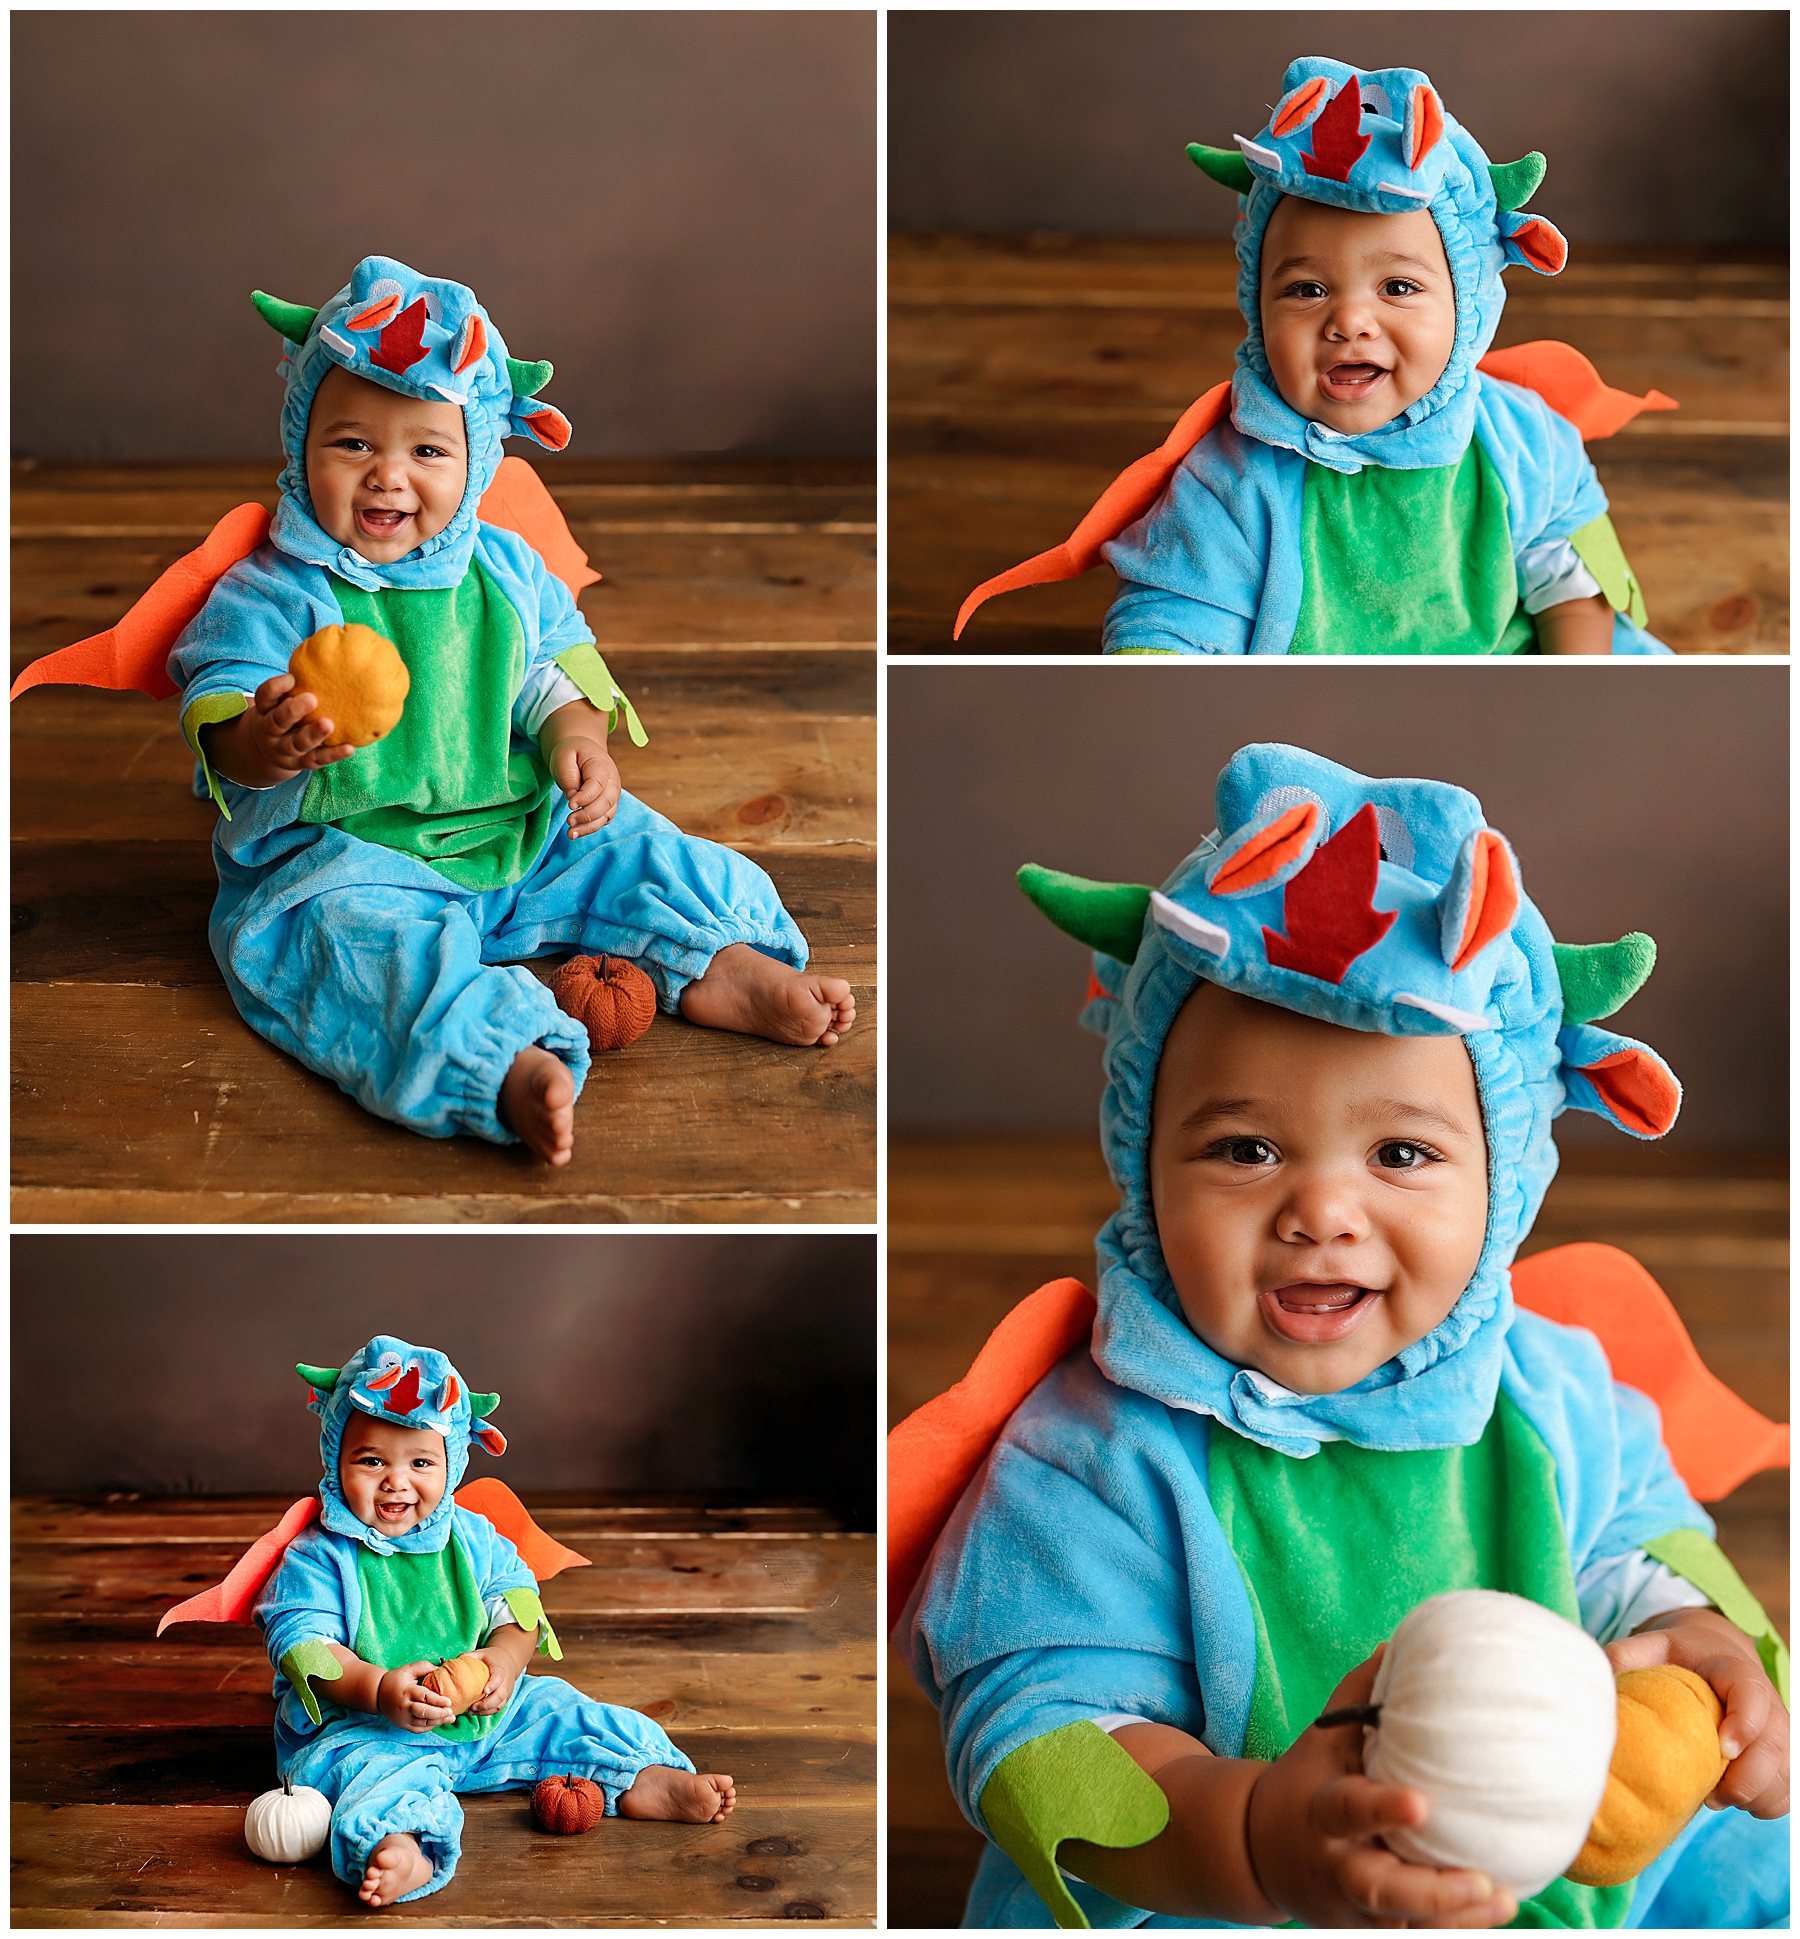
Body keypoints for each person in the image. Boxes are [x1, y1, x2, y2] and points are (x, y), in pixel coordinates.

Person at [895, 744, 1788, 1928]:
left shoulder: (1552, 1390)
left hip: (1547, 1860)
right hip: (1221, 1891)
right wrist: (1260, 1839)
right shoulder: (1088, 1464)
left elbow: (1635, 1543)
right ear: (1143, 1164)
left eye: (1402, 1154)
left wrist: (1696, 1649)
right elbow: (1044, 1736)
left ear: (1505, 1181)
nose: (1321, 1211)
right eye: (1245, 1149)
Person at [26, 254, 852, 1164]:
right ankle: (500, 1062)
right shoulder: (269, 591)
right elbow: (220, 705)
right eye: (353, 444)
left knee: (638, 848)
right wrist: (264, 738)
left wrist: (579, 744)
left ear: (479, 457)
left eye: (427, 450)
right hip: (349, 859)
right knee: (348, 957)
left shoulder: (501, 573)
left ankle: (725, 964)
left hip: (520, 832)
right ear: (301, 441)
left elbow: (554, 674)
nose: (388, 477)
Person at [953, 60, 1676, 656]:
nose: (1350, 321)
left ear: (1469, 305)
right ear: (1255, 305)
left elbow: (1572, 586)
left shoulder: (1522, 443)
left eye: (1398, 286)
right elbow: (1173, 623)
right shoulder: (1231, 485)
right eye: (1305, 288)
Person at [176, 1335, 734, 1907]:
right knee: (366, 1774)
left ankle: (647, 1781)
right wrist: (378, 1688)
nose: (396, 1482)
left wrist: (505, 1663)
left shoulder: (470, 1538)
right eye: (372, 1461)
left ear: (454, 1462)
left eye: (421, 1462)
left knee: (567, 1712)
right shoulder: (317, 1556)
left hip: (489, 1716)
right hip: (365, 1725)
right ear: (335, 1456)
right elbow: (306, 1649)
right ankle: (403, 1845)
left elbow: (517, 1604)